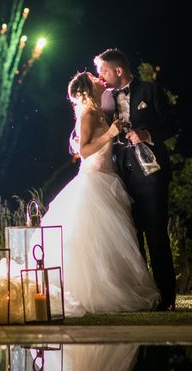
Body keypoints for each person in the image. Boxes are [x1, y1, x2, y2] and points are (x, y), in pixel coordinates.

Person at [40, 71, 159, 314]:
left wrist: (117, 132)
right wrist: (110, 134)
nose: (99, 80)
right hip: (94, 181)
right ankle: (96, 292)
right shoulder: (88, 114)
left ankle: (114, 285)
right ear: (87, 89)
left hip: (109, 178)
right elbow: (83, 151)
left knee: (111, 241)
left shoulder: (99, 112)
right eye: (94, 79)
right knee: (94, 240)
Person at [94, 48, 179, 311]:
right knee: (132, 237)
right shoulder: (106, 97)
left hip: (151, 173)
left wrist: (147, 134)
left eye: (104, 71)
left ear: (118, 70)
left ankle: (166, 298)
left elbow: (173, 124)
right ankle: (142, 295)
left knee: (156, 233)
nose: (102, 77)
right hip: (120, 175)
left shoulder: (151, 90)